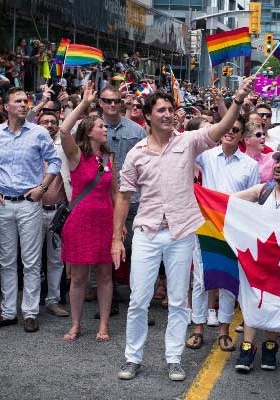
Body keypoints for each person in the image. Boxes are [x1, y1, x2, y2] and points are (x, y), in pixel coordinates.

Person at [113, 77, 256, 382]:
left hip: (181, 233)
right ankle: (132, 357)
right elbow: (124, 195)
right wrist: (116, 239)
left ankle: (173, 358)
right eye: (161, 110)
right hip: (147, 233)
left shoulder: (188, 141)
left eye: (170, 109)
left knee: (179, 300)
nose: (167, 114)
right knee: (139, 299)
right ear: (149, 115)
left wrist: (237, 101)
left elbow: (218, 131)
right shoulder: (136, 152)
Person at [0, 87, 62, 333]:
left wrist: (42, 187)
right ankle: (8, 311)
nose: (24, 104)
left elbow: (55, 162)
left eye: (25, 101)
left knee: (30, 260)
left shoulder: (38, 133)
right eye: (17, 101)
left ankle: (29, 311)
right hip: (4, 202)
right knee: (6, 260)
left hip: (29, 203)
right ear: (6, 107)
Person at [190, 116, 259, 352]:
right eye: (227, 128)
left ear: (241, 135)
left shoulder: (250, 165)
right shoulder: (206, 156)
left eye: (236, 129)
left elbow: (254, 201)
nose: (230, 132)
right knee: (200, 279)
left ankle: (223, 330)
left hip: (233, 229)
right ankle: (197, 328)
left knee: (228, 281)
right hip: (206, 225)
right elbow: (185, 147)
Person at [231, 151, 280, 373]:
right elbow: (229, 201)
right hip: (259, 259)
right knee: (253, 300)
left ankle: (271, 345)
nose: (278, 165)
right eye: (277, 161)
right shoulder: (264, 190)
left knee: (277, 302)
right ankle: (247, 347)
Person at [58, 82, 116, 341]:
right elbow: (62, 129)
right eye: (101, 126)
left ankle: (103, 324)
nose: (106, 129)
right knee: (79, 277)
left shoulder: (109, 159)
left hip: (105, 220)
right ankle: (75, 324)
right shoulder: (75, 157)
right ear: (89, 132)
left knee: (105, 275)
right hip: (80, 221)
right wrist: (83, 103)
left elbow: (115, 193)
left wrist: (119, 224)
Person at [100, 85, 146, 316]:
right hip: (103, 199)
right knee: (107, 250)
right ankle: (109, 300)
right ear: (100, 103)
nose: (112, 105)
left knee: (136, 250)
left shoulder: (137, 131)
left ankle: (137, 304)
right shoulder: (94, 128)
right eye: (107, 101)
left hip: (132, 199)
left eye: (116, 101)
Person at [35, 111, 70, 319]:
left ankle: (53, 300)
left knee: (56, 259)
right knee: (32, 258)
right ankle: (32, 301)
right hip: (34, 210)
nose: (49, 125)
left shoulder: (63, 149)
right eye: (44, 122)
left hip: (58, 211)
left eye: (52, 122)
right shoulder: (31, 146)